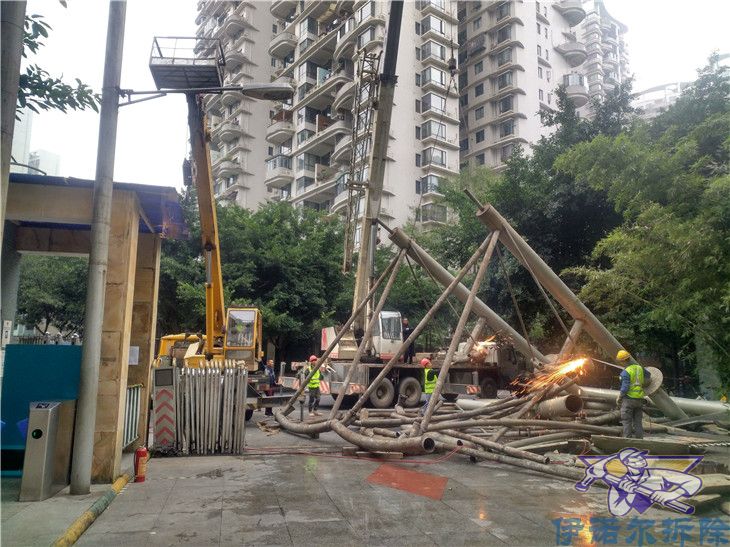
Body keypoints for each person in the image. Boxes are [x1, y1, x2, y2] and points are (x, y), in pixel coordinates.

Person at [615, 350, 651, 439]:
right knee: (638, 422)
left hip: (629, 400)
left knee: (627, 422)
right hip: (639, 400)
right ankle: (640, 440)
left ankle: (628, 442)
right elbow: (649, 375)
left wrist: (619, 397)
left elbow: (625, 388)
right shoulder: (639, 368)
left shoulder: (625, 372)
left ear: (622, 361)